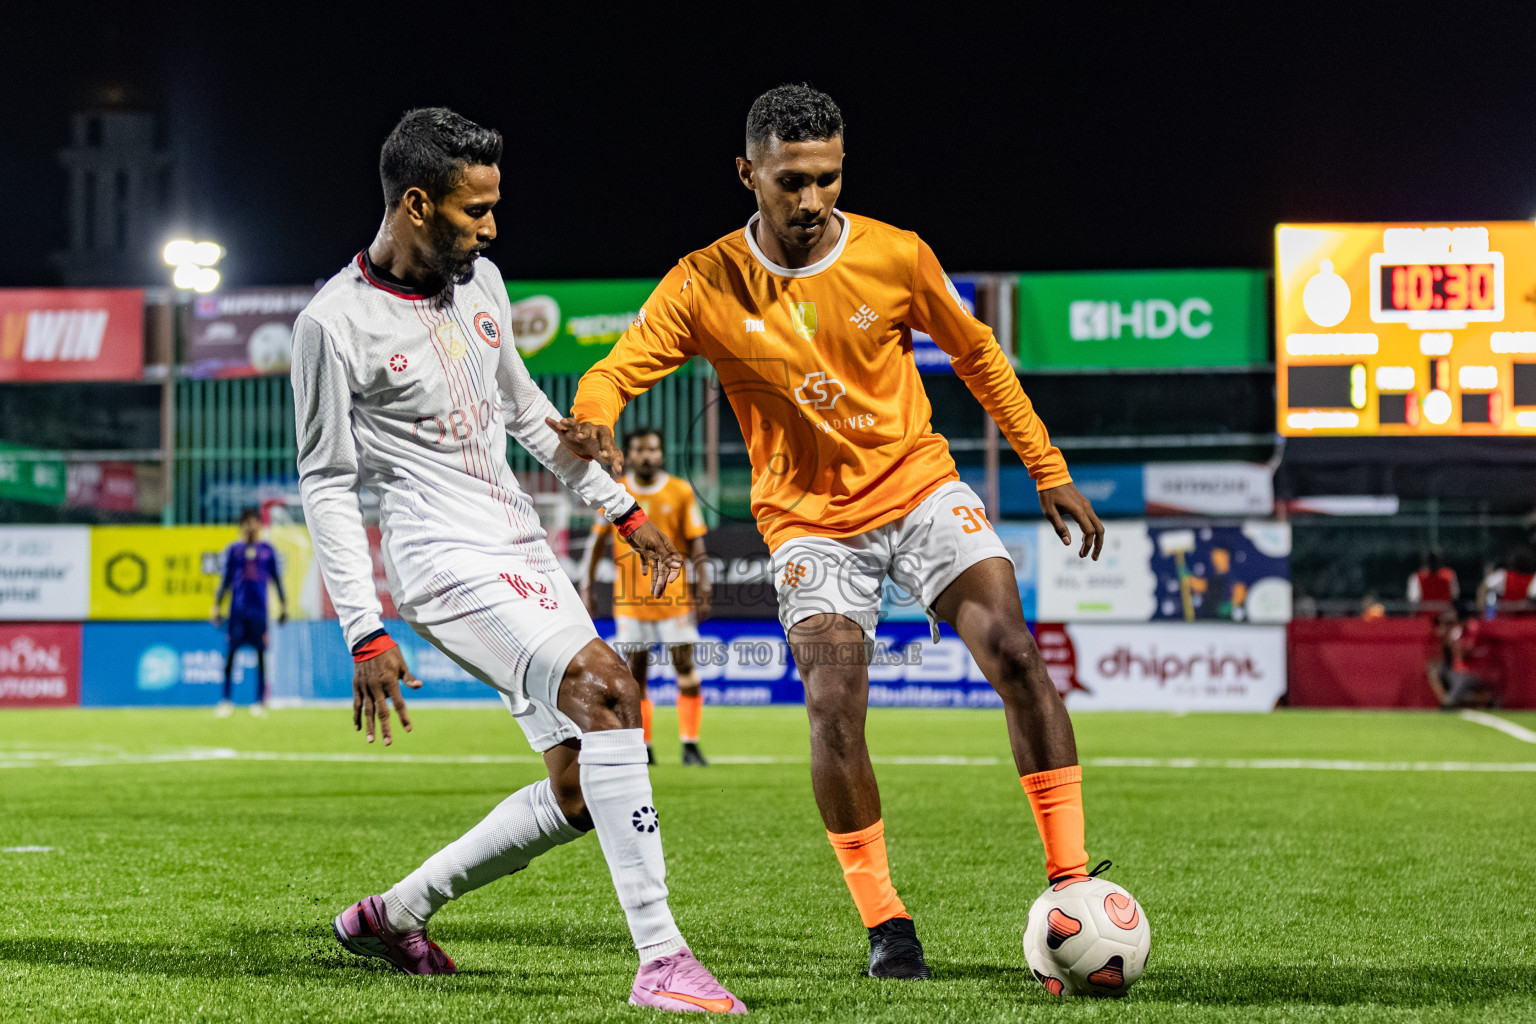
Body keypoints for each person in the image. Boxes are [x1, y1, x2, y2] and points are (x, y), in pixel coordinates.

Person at [552, 84, 1105, 981]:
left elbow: (978, 357)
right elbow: (615, 370)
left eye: (827, 180)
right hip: (809, 525)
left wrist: (1049, 470)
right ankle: (887, 923)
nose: (811, 201)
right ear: (748, 175)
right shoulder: (704, 281)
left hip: (920, 487)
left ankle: (1072, 881)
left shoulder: (896, 254)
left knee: (1014, 651)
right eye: (791, 182)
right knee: (833, 701)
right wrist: (595, 415)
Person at [293, 108, 742, 1013]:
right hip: (439, 559)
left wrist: (623, 510)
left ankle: (397, 913)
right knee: (611, 688)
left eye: (493, 208)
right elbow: (327, 483)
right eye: (474, 211)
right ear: (416, 204)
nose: (491, 227)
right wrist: (363, 629)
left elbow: (530, 415)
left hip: (521, 547)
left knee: (584, 787)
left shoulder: (484, 283)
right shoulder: (332, 325)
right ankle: (661, 960)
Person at [582, 428, 713, 766]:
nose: (646, 456)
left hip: (674, 601)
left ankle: (691, 744)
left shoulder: (681, 491)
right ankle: (645, 746)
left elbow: (696, 541)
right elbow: (597, 543)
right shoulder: (617, 492)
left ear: (661, 454)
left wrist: (704, 586)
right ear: (630, 454)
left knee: (685, 669)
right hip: (630, 603)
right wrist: (586, 586)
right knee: (635, 676)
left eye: (652, 450)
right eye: (640, 450)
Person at [211, 506, 287, 716]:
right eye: (247, 522)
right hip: (237, 612)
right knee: (231, 655)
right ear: (241, 526)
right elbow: (225, 580)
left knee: (261, 656)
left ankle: (260, 701)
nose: (251, 526)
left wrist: (283, 605)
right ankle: (225, 700)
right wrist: (217, 606)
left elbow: (277, 579)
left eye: (254, 521)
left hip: (259, 612)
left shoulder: (267, 550)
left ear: (260, 525)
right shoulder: (234, 550)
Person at [1475, 547, 1536, 618]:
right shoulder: (1503, 576)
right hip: (1526, 623)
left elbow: (1483, 588)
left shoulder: (1502, 576)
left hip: (1508, 622)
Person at [1408, 550, 1458, 618]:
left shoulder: (1450, 575)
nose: (1433, 563)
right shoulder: (1417, 577)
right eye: (1431, 561)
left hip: (1445, 619)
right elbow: (1413, 600)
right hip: (1426, 617)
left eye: (1435, 561)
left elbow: (1455, 595)